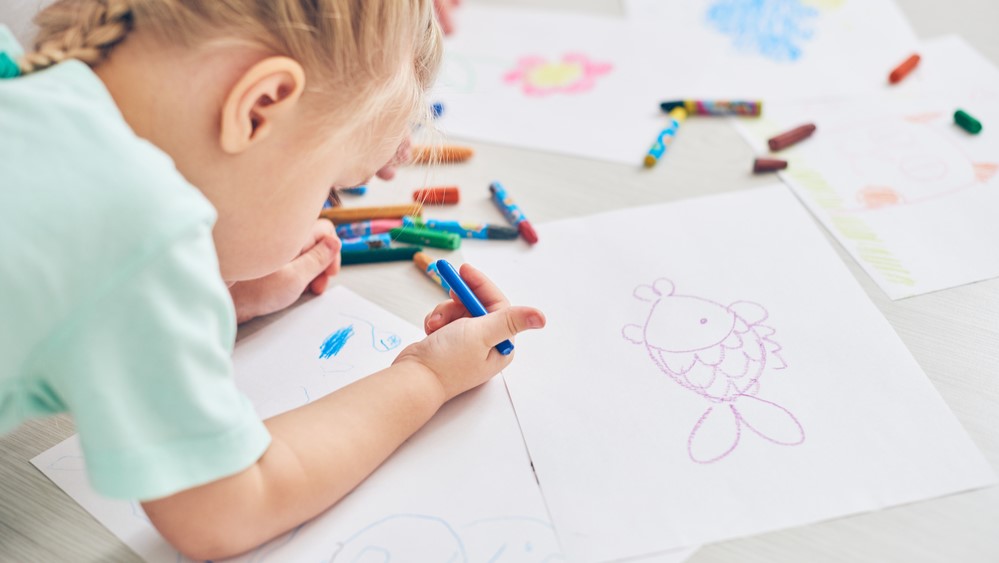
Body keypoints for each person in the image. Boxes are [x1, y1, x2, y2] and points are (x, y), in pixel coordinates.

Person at [0, 0, 544, 560]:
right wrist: (427, 376)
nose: (322, 215)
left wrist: (205, 295)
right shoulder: (140, 235)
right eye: (331, 191)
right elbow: (227, 507)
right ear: (259, 109)